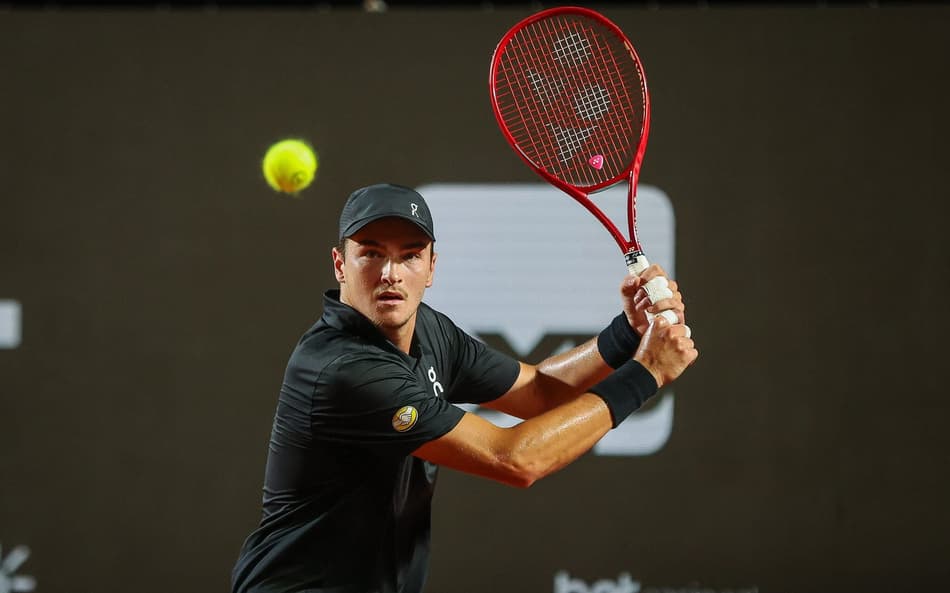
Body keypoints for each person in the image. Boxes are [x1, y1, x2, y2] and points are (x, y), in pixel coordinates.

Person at [231, 183, 697, 593]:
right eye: (371, 252)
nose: (391, 273)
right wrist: (646, 373)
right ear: (340, 264)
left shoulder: (430, 330)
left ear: (431, 267)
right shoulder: (344, 369)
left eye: (410, 255)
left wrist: (626, 333)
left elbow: (536, 390)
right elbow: (515, 459)